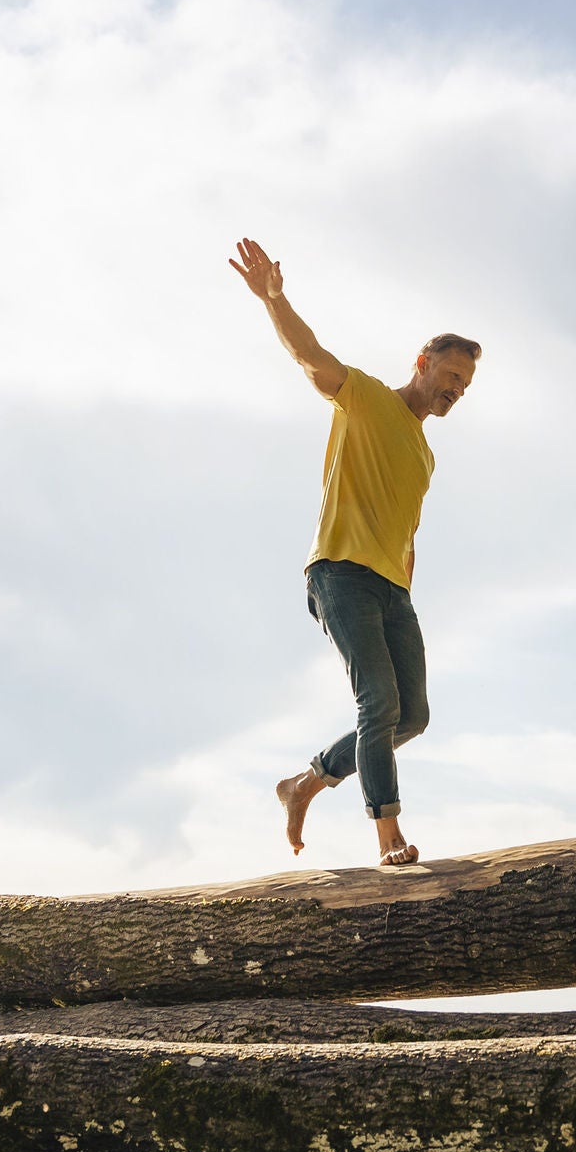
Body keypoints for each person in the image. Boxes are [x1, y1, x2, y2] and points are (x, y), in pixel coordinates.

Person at [229, 237, 479, 867]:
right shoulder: (365, 398)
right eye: (451, 376)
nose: (457, 390)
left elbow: (408, 529)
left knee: (412, 714)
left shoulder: (425, 454)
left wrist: (408, 589)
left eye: (465, 385)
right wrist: (274, 300)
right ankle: (388, 836)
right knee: (379, 701)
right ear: (422, 362)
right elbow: (310, 358)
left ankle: (306, 783)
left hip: (394, 589)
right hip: (340, 573)